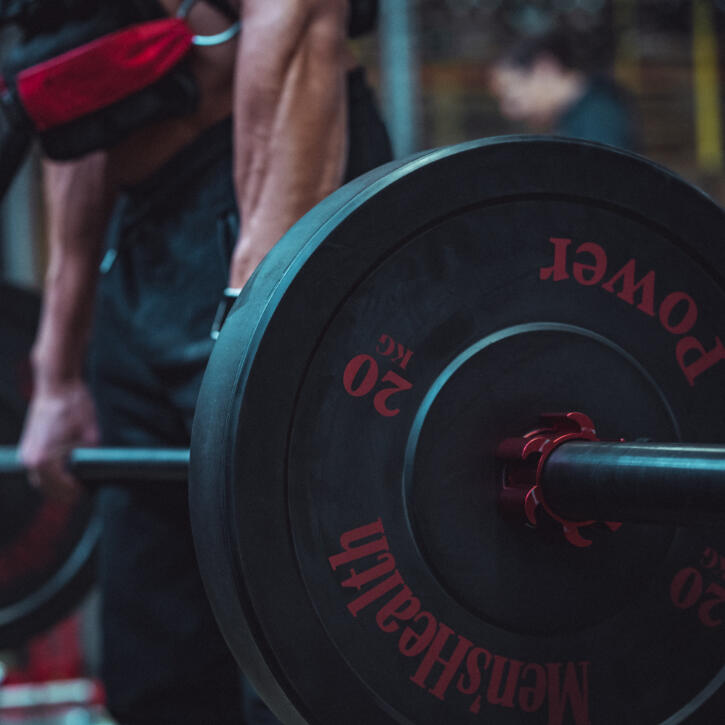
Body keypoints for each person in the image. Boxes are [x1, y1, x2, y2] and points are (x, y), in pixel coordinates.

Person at [18, 1, 392, 723]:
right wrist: (58, 369)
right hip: (144, 230)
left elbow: (298, 23)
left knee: (288, 618)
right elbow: (82, 97)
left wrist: (258, 293)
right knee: (150, 642)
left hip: (271, 189)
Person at [490, 30, 640, 151]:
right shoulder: (580, 114)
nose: (508, 111)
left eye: (511, 97)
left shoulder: (600, 115)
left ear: (544, 68)